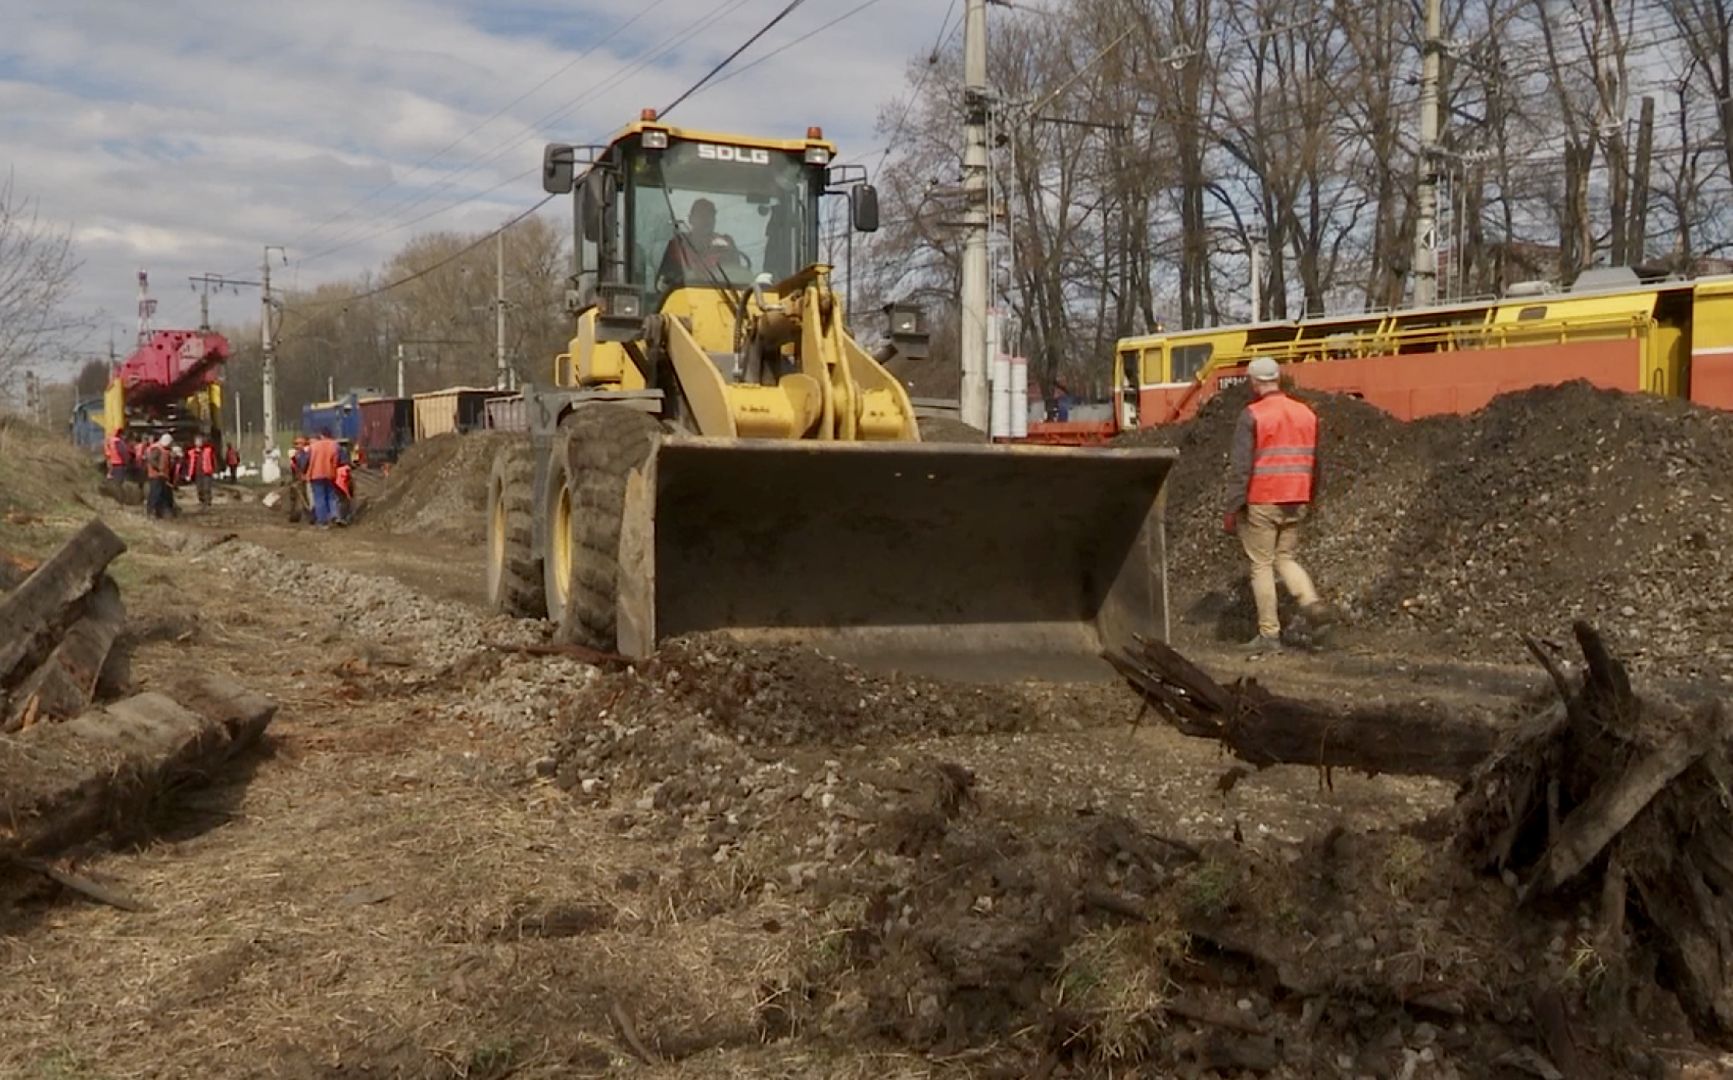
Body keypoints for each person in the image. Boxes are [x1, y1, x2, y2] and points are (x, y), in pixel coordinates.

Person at [1223, 357, 1336, 650]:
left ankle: (1269, 634)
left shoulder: (1253, 414)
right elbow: (1316, 462)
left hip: (1263, 498)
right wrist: (1312, 497)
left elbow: (1241, 466)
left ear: (1255, 382)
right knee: (1285, 558)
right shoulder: (1306, 414)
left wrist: (1232, 507)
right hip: (1297, 496)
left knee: (1261, 564)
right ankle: (1312, 604)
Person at [657, 197, 741, 287]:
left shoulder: (726, 245)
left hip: (721, 297)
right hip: (684, 297)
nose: (707, 220)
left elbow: (737, 276)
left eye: (710, 216)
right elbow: (663, 283)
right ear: (690, 219)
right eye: (701, 215)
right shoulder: (677, 247)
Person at [306, 427, 341, 527]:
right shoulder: (335, 445)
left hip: (316, 474)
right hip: (329, 473)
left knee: (319, 498)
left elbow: (308, 461)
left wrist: (307, 474)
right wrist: (334, 474)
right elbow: (335, 462)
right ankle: (334, 515)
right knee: (331, 496)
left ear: (321, 435)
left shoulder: (314, 446)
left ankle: (322, 521)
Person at [144, 434, 174, 519]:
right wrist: (159, 468)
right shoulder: (157, 449)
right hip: (156, 475)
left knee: (162, 494)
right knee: (155, 494)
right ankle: (151, 511)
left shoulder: (164, 449)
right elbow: (151, 460)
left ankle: (160, 511)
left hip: (162, 476)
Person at [186, 434, 217, 508]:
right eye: (197, 441)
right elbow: (189, 463)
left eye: (200, 441)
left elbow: (213, 460)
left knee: (207, 488)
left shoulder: (208, 450)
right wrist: (189, 474)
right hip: (197, 473)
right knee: (199, 489)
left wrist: (215, 471)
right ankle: (201, 501)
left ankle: (208, 502)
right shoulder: (191, 452)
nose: (199, 443)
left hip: (206, 472)